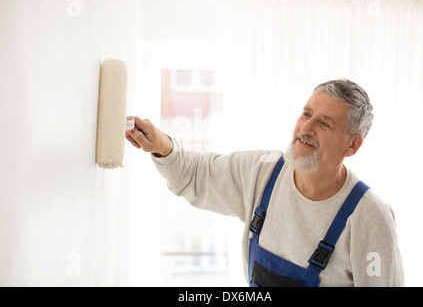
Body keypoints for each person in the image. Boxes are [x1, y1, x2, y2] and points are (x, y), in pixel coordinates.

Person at [125, 79, 405, 287]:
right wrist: (161, 146)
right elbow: (197, 176)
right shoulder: (263, 172)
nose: (305, 129)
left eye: (324, 123)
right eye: (306, 114)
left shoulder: (370, 217)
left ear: (352, 145)